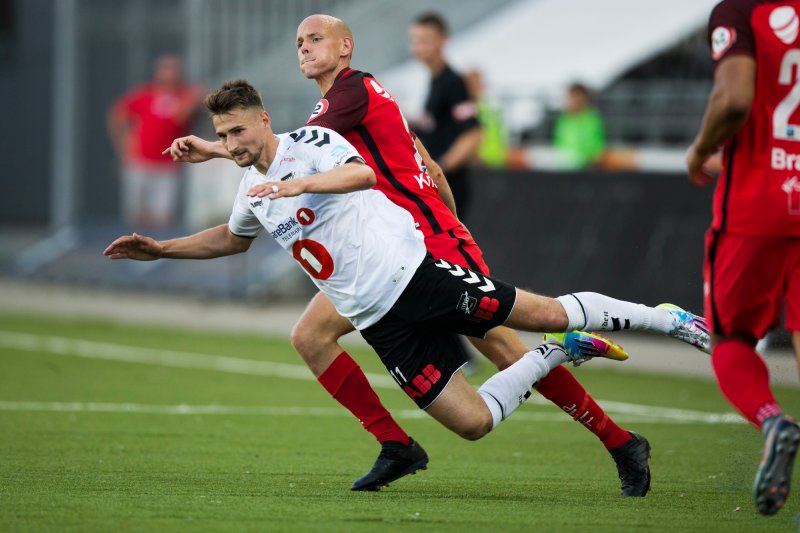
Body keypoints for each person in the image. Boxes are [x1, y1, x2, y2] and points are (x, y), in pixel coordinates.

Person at [165, 14, 710, 496]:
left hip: (423, 242)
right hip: (398, 244)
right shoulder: (351, 102)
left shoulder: (350, 92)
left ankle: (620, 439)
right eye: (298, 42)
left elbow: (283, 147)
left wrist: (217, 147)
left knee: (506, 345)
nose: (303, 48)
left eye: (315, 39)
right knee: (310, 335)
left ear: (345, 47)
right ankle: (395, 444)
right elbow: (423, 159)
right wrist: (445, 206)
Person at [686, 0, 800, 516]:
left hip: (760, 204)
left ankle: (772, 419)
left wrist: (699, 148)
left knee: (731, 336)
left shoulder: (741, 11)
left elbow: (734, 99)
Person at [107, 54, 204, 229]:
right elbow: (118, 115)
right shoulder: (145, 95)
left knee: (162, 215)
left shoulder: (185, 95)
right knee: (136, 213)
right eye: (165, 69)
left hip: (169, 164)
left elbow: (181, 117)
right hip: (140, 162)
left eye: (173, 69)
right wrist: (124, 145)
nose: (169, 73)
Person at [409, 12, 482, 218]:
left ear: (443, 40)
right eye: (414, 40)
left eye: (424, 41)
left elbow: (473, 134)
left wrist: (440, 169)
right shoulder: (435, 81)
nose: (417, 47)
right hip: (435, 187)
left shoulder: (453, 83)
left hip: (450, 187)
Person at [552, 82, 606, 170]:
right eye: (572, 97)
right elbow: (558, 142)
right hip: (564, 167)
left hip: (587, 167)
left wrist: (587, 159)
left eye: (578, 97)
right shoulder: (563, 119)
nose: (575, 101)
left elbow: (596, 145)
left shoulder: (592, 119)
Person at [464, 69, 510, 169]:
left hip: (495, 162)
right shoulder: (466, 109)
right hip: (475, 163)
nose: (478, 86)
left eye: (479, 82)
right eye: (473, 83)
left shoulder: (491, 107)